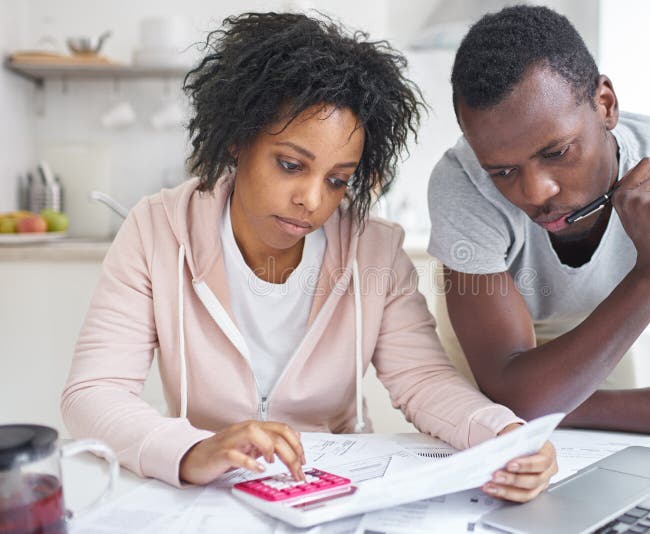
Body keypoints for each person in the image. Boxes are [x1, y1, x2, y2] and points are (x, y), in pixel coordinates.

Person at [60, 12, 557, 502]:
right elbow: (93, 393)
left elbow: (423, 381)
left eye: (338, 179)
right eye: (291, 165)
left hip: (327, 493)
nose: (313, 200)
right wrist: (193, 450)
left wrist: (504, 434)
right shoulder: (155, 231)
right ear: (238, 138)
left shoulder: (374, 250)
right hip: (207, 494)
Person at [427, 5, 650, 438]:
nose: (535, 193)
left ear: (605, 104)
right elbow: (508, 385)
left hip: (595, 323)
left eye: (556, 153)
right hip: (495, 339)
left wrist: (543, 403)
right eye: (503, 171)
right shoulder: (462, 183)